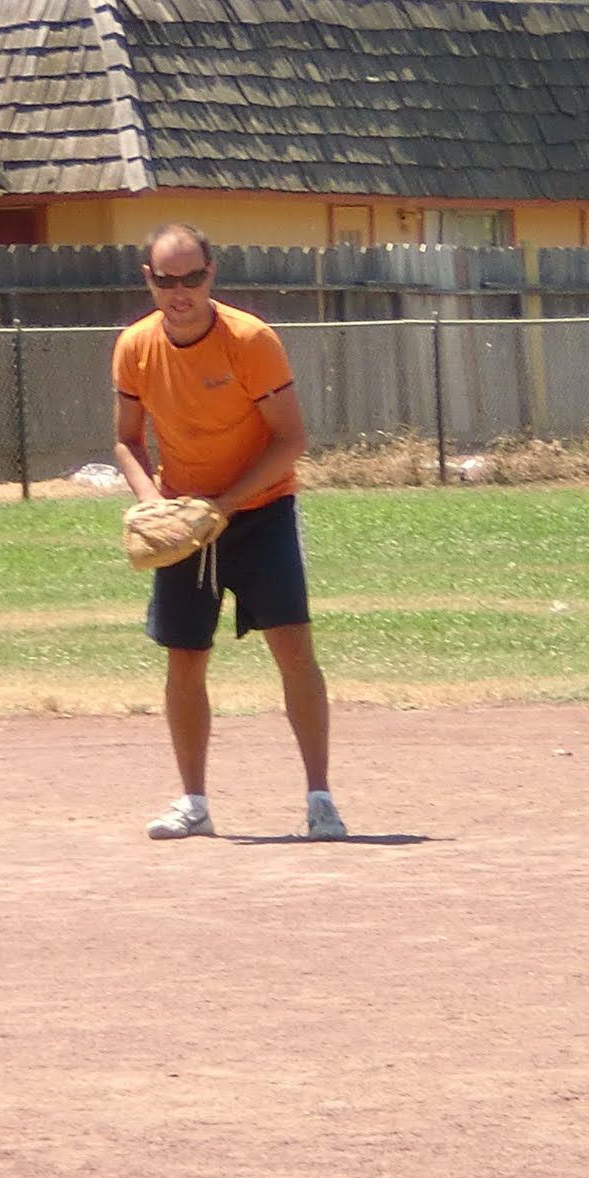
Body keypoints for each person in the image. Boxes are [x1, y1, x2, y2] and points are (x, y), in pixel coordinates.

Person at [112, 222, 347, 843]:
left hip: (261, 510)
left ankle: (320, 800)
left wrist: (224, 503)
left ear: (211, 275)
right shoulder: (134, 347)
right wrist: (153, 505)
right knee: (185, 658)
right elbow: (127, 438)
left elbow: (291, 440)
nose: (180, 291)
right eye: (167, 279)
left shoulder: (251, 340)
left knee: (293, 652)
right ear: (150, 281)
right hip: (185, 523)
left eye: (193, 277)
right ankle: (194, 803)